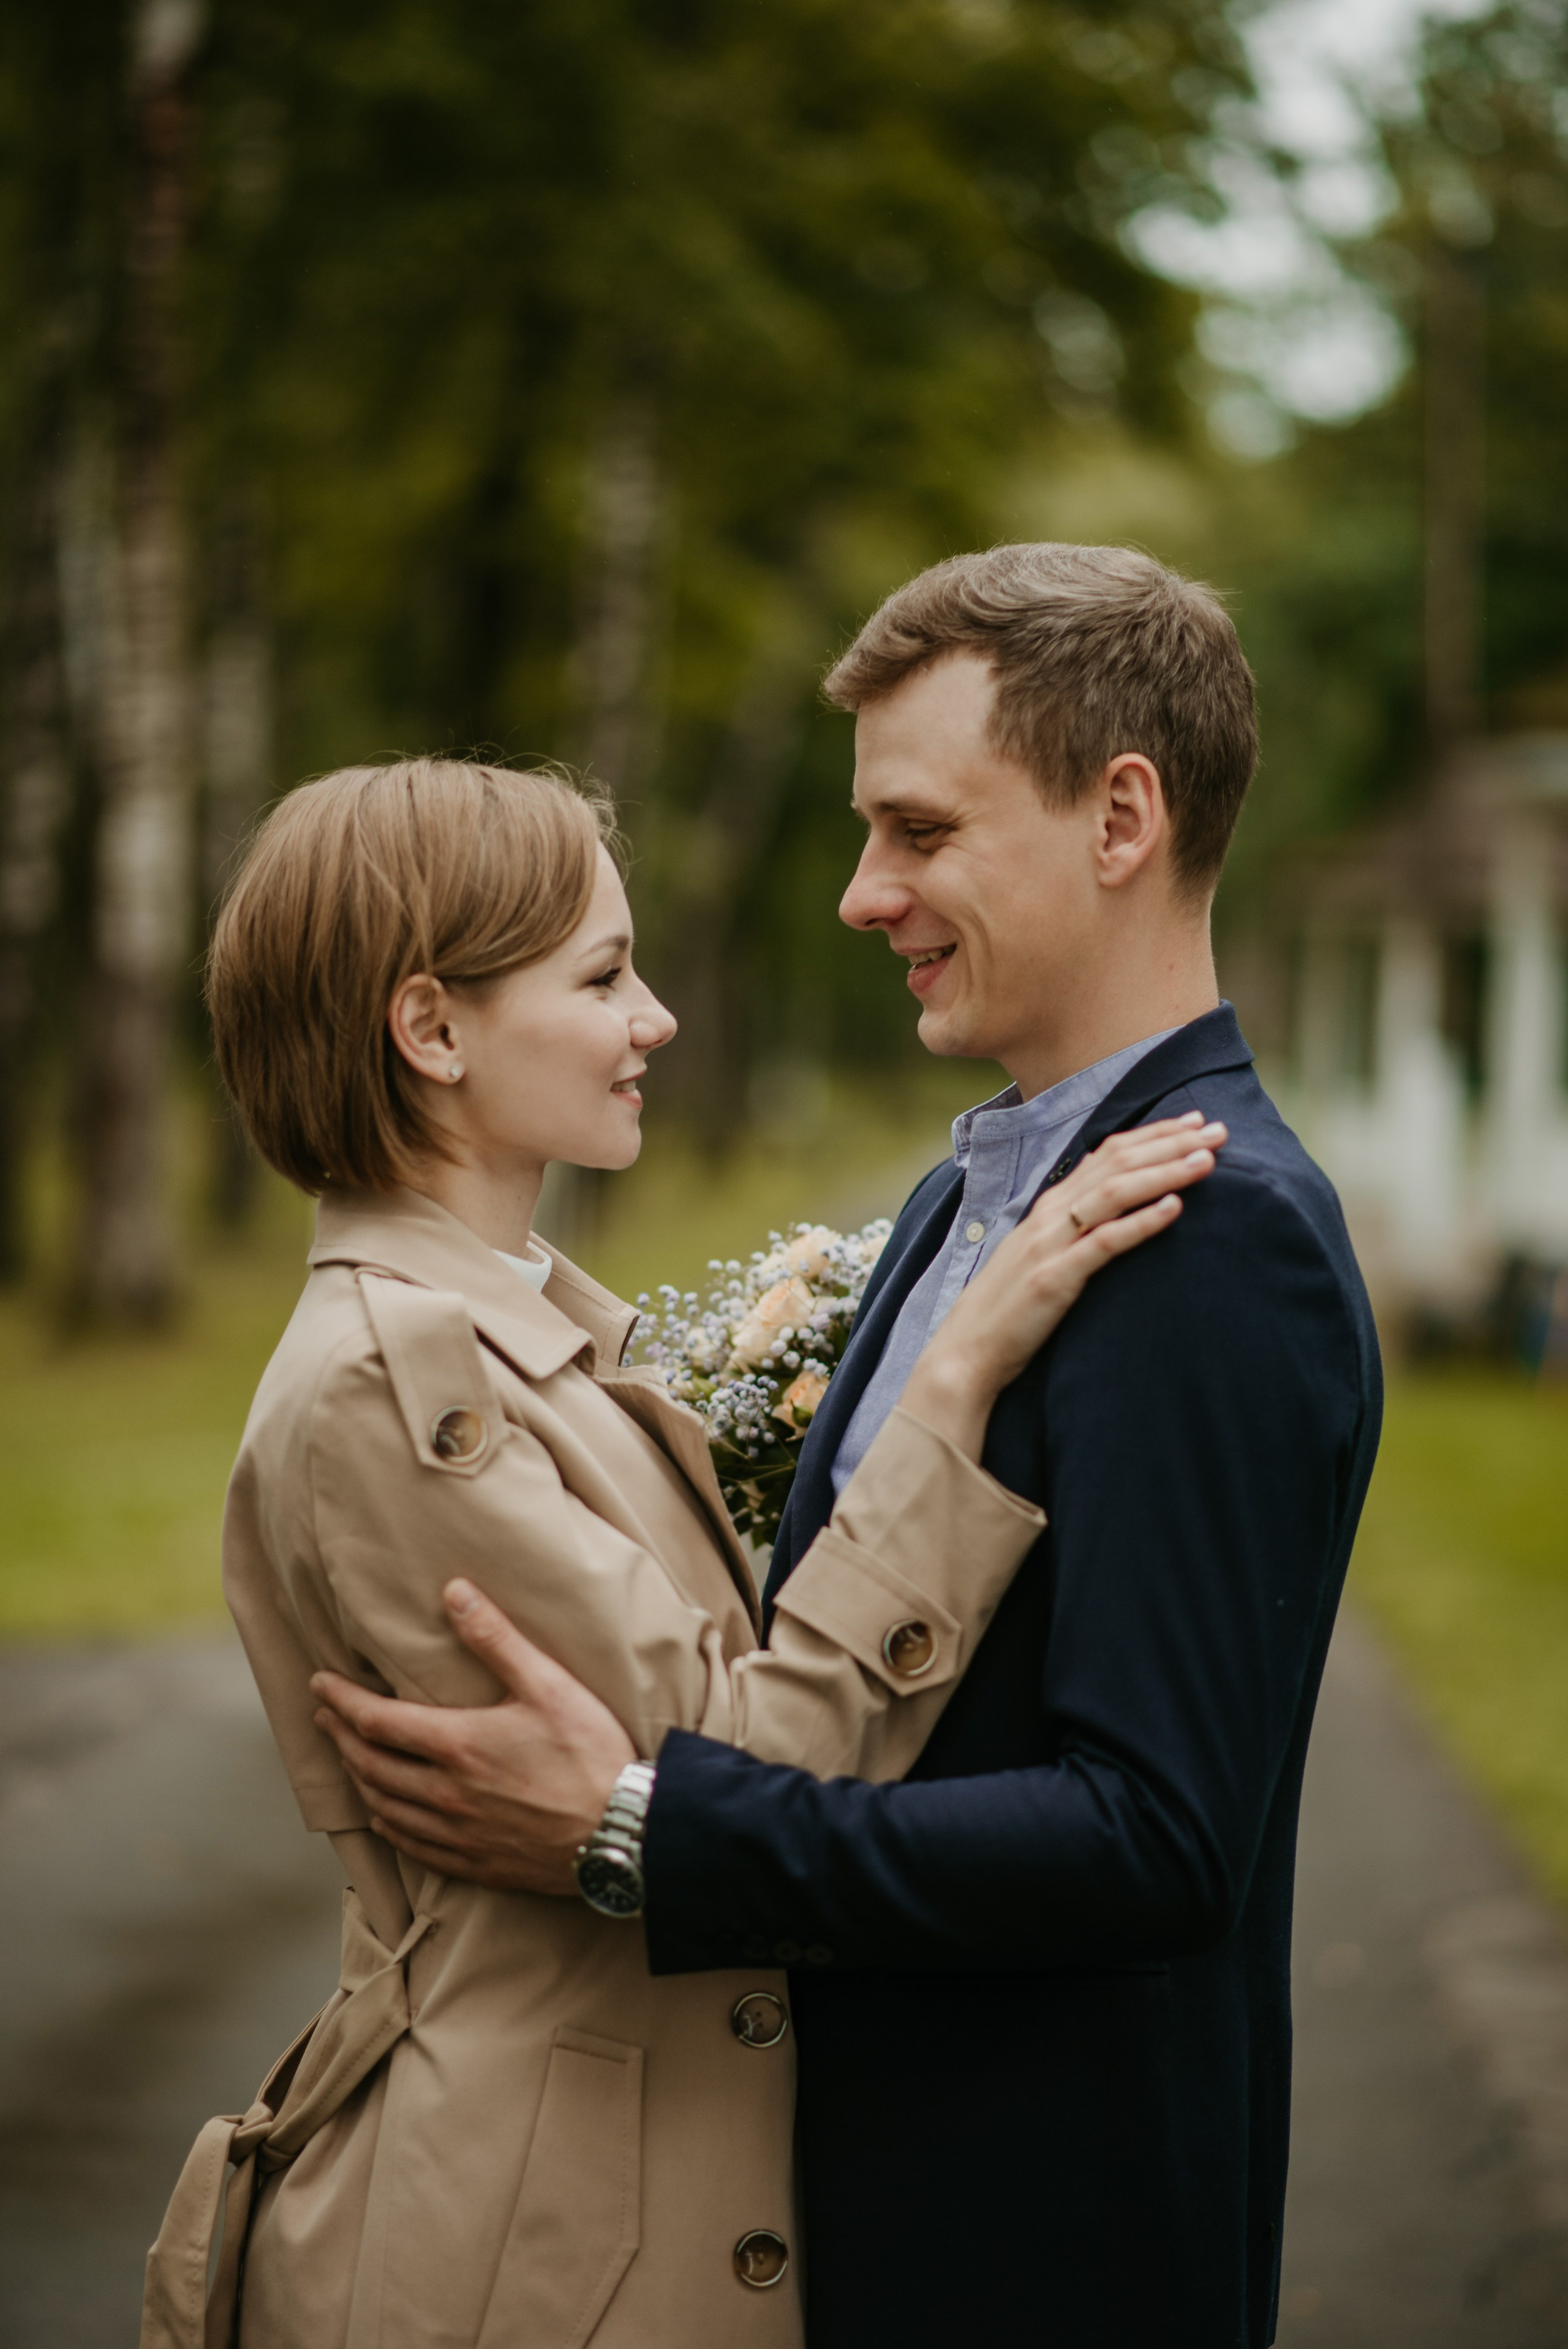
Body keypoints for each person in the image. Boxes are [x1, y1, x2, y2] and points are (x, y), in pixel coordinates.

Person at [317, 546, 1384, 2349]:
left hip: (1031, 2254)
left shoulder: (1215, 1235)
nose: (861, 892)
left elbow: (1152, 1838)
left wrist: (643, 1829)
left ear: (1122, 817)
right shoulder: (963, 1198)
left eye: (920, 831)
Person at [141, 753, 1223, 2349]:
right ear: (431, 1028)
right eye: (601, 978)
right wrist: (955, 1379)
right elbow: (751, 1769)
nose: (654, 1020)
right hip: (530, 2262)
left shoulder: (517, 1337)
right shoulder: (399, 1382)